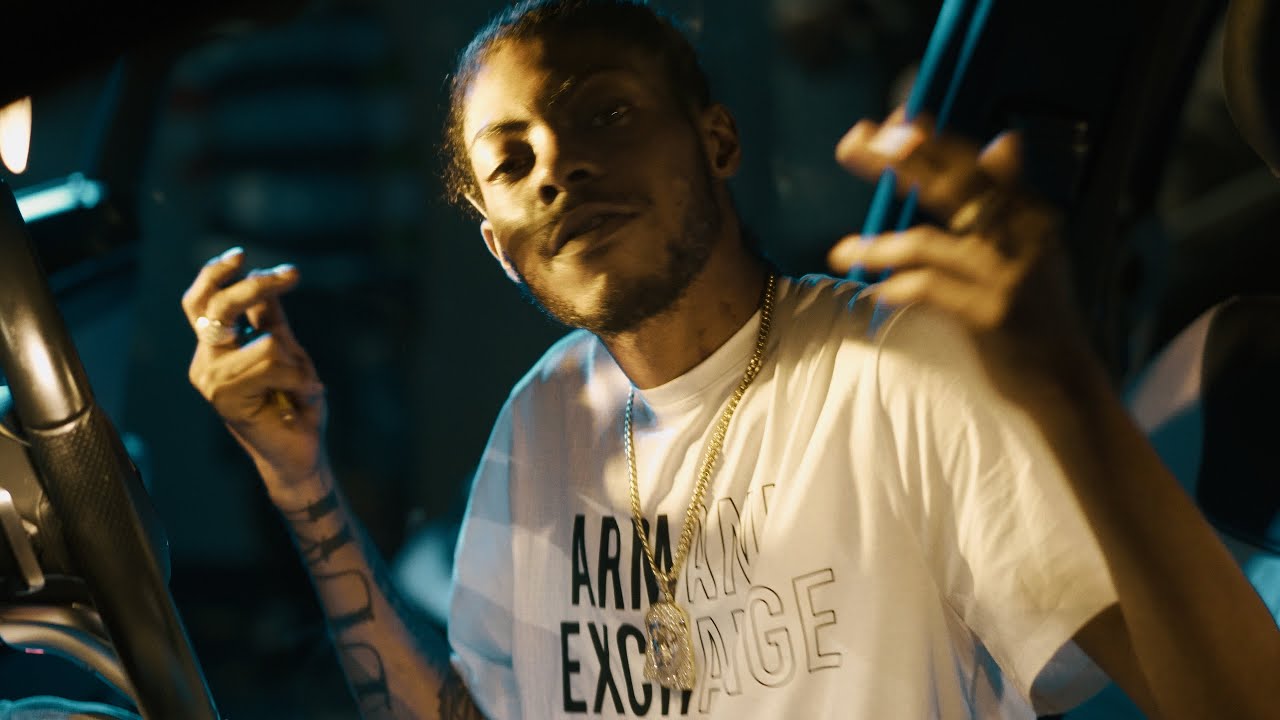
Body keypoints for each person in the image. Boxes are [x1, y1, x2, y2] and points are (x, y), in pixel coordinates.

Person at [181, 1, 1279, 718]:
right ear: (498, 245)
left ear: (716, 141)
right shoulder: (542, 416)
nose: (557, 168)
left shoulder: (898, 369)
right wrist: (299, 482)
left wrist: (1065, 388)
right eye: (511, 163)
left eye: (606, 113)